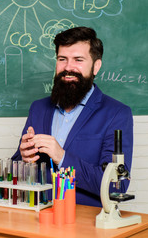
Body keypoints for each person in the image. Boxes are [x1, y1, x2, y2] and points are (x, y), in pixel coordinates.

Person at [11, 27, 133, 207]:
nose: (68, 67)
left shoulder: (117, 114)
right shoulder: (38, 108)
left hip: (85, 224)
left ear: (96, 66)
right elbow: (15, 170)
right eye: (62, 59)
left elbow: (117, 186)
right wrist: (23, 158)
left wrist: (62, 157)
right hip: (37, 219)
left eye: (78, 60)